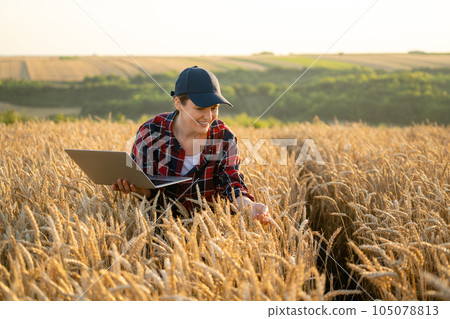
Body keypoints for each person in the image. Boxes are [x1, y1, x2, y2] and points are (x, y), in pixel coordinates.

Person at [112, 66, 270, 224]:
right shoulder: (151, 132)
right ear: (178, 103)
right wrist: (136, 190)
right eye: (199, 108)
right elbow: (147, 190)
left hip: (208, 233)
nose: (208, 117)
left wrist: (248, 205)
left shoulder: (224, 137)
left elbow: (231, 182)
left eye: (214, 108)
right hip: (159, 229)